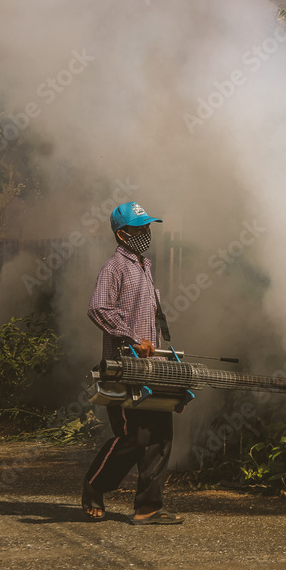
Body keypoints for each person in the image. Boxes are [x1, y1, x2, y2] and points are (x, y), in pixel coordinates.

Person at [81, 201, 183, 525]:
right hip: (123, 368)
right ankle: (95, 486)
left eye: (147, 227)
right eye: (139, 229)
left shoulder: (144, 266)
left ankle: (148, 507)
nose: (146, 233)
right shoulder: (114, 268)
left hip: (149, 368)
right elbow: (98, 309)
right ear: (122, 234)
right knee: (134, 437)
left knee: (161, 435)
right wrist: (131, 337)